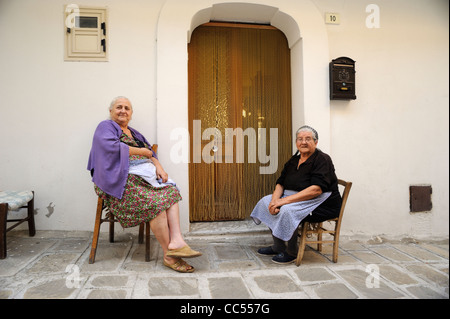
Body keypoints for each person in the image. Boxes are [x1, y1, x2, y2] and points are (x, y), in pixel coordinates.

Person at [87, 96, 201, 273]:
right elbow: (110, 146)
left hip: (141, 176)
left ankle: (177, 240)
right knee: (155, 204)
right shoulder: (106, 126)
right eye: (119, 107)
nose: (123, 110)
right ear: (110, 111)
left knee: (170, 191)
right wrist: (142, 152)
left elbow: (151, 154)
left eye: (127, 108)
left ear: (131, 114)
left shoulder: (134, 133)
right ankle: (169, 256)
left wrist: (159, 167)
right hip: (119, 179)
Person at [251, 125, 342, 264]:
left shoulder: (322, 159)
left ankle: (291, 251)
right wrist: (274, 201)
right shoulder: (294, 160)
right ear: (296, 142)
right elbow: (280, 183)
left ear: (316, 142)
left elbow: (316, 190)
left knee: (287, 210)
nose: (303, 142)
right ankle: (278, 246)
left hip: (320, 203)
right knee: (265, 202)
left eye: (308, 139)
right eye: (300, 139)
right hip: (295, 197)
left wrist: (283, 202)